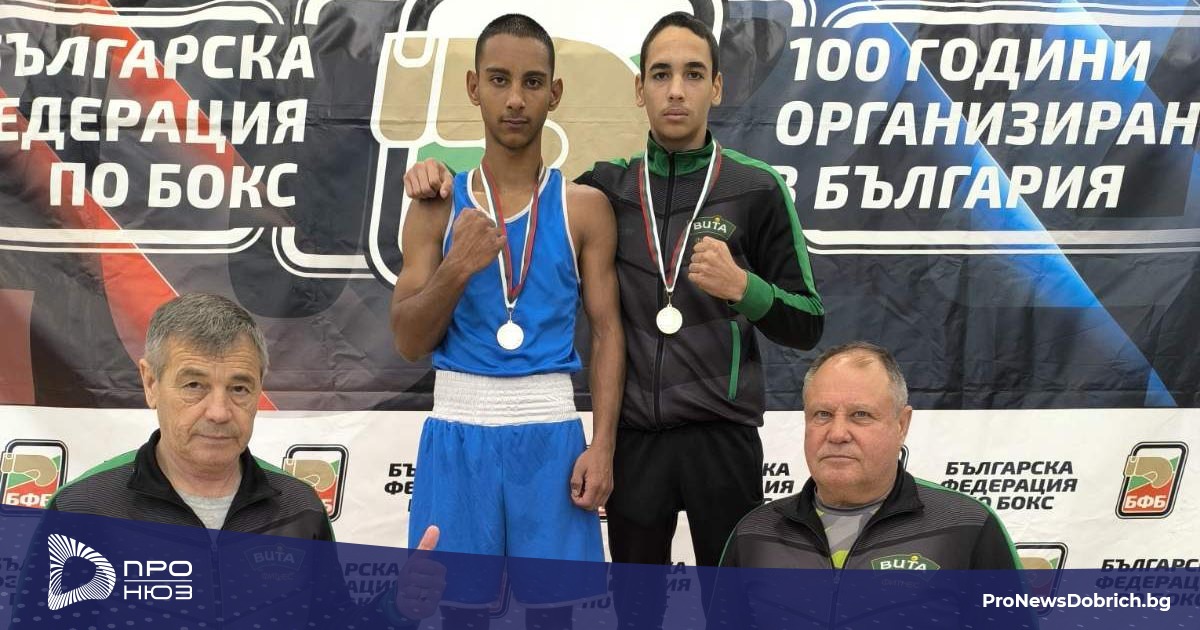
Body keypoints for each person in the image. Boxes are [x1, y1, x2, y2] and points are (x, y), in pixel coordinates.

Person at [403, 10, 823, 573]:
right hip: (635, 443)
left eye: (694, 73)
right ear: (639, 88)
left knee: (734, 605)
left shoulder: (756, 187)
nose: (677, 90)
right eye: (661, 74)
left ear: (717, 86)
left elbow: (809, 321)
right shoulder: (609, 189)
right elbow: (517, 190)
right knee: (631, 608)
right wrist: (435, 175)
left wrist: (746, 289)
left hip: (721, 437)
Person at [389, 12, 623, 625]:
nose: (515, 99)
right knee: (460, 616)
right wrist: (456, 268)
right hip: (457, 434)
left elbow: (608, 332)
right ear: (473, 87)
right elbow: (408, 340)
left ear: (555, 92)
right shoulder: (436, 206)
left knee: (553, 619)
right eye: (498, 80)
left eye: (531, 82)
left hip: (551, 435)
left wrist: (603, 444)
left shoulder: (585, 208)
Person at [34, 293, 443, 627]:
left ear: (260, 389)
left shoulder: (298, 509)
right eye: (194, 385)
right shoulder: (83, 510)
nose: (219, 411)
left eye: (239, 389)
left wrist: (397, 608)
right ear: (151, 383)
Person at [721, 341, 1019, 570]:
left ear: (901, 424)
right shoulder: (754, 535)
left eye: (860, 415)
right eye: (822, 414)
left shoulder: (967, 527)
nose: (837, 434)